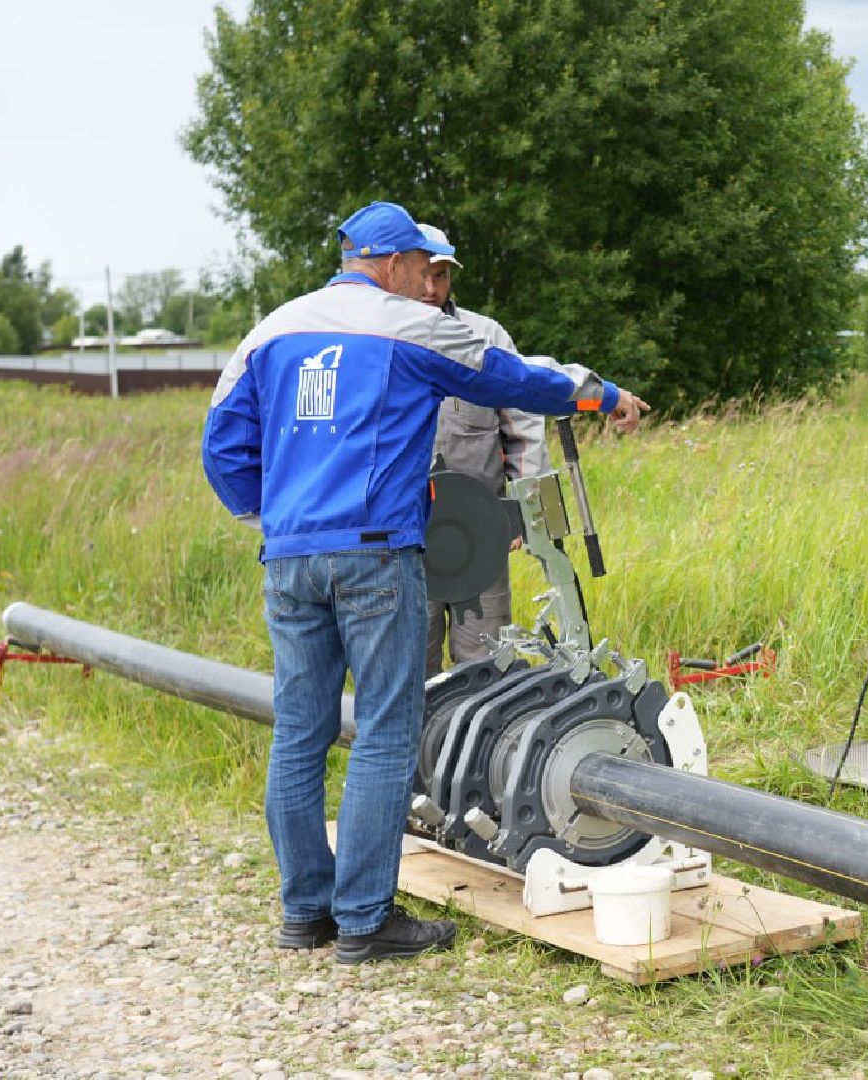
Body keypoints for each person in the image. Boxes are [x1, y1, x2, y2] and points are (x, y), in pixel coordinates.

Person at [200, 201, 649, 963]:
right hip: (375, 553)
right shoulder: (406, 326)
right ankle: (367, 921)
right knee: (384, 731)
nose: (430, 285)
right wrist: (601, 395)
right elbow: (514, 381)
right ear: (391, 261)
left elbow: (222, 442)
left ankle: (305, 913)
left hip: (289, 557)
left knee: (301, 731)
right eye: (422, 267)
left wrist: (270, 516)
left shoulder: (272, 329)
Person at [415, 222, 546, 676]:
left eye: (443, 275)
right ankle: (420, 749)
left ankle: (481, 746)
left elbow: (524, 425)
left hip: (481, 531)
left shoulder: (485, 336)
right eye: (424, 274)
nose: (432, 288)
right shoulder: (377, 338)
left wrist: (518, 511)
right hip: (403, 538)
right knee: (412, 668)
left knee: (486, 665)